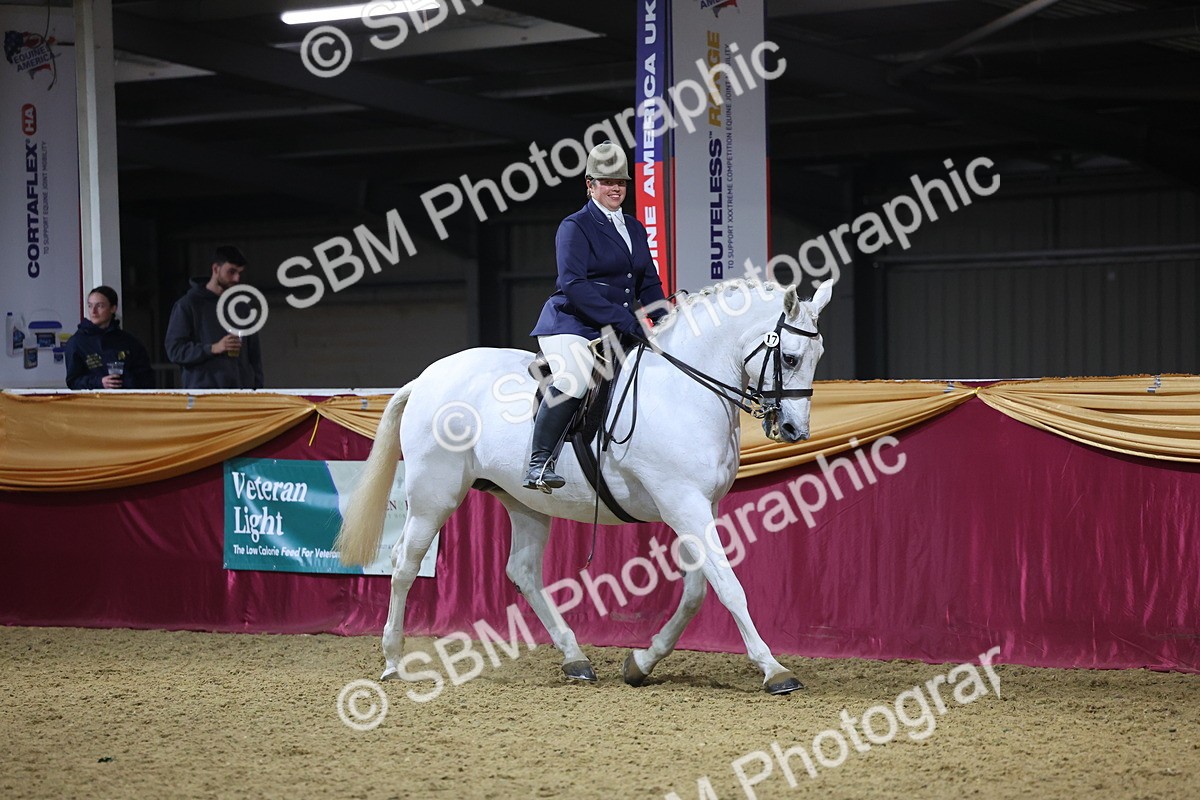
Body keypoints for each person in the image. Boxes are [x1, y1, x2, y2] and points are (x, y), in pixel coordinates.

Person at [524, 141, 668, 492]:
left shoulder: (634, 227)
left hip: (616, 327)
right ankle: (539, 462)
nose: (615, 188)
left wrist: (665, 319)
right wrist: (627, 321)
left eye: (621, 181)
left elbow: (648, 282)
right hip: (572, 324)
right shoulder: (575, 226)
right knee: (574, 376)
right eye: (607, 182)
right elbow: (574, 284)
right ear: (590, 185)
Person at [164, 245, 265, 389]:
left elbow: (254, 356)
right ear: (216, 269)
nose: (237, 278)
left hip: (240, 394)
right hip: (204, 395)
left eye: (239, 273)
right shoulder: (188, 305)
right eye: (231, 272)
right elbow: (175, 350)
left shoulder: (242, 308)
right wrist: (212, 348)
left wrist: (257, 389)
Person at [63, 286, 155, 389]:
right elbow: (73, 381)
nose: (93, 311)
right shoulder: (77, 342)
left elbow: (146, 378)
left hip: (126, 397)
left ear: (113, 308)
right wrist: (99, 382)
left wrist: (127, 382)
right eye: (90, 306)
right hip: (95, 398)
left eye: (100, 306)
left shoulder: (129, 342)